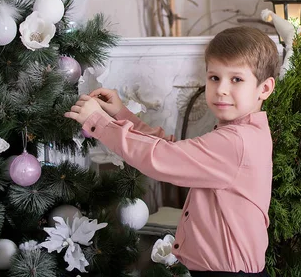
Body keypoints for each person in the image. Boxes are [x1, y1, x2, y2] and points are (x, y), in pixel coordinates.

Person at [64, 26, 280, 276]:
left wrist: (100, 123)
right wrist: (123, 115)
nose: (221, 89)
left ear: (264, 88)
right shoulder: (242, 132)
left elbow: (161, 158)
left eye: (236, 79)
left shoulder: (235, 142)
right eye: (214, 78)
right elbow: (174, 151)